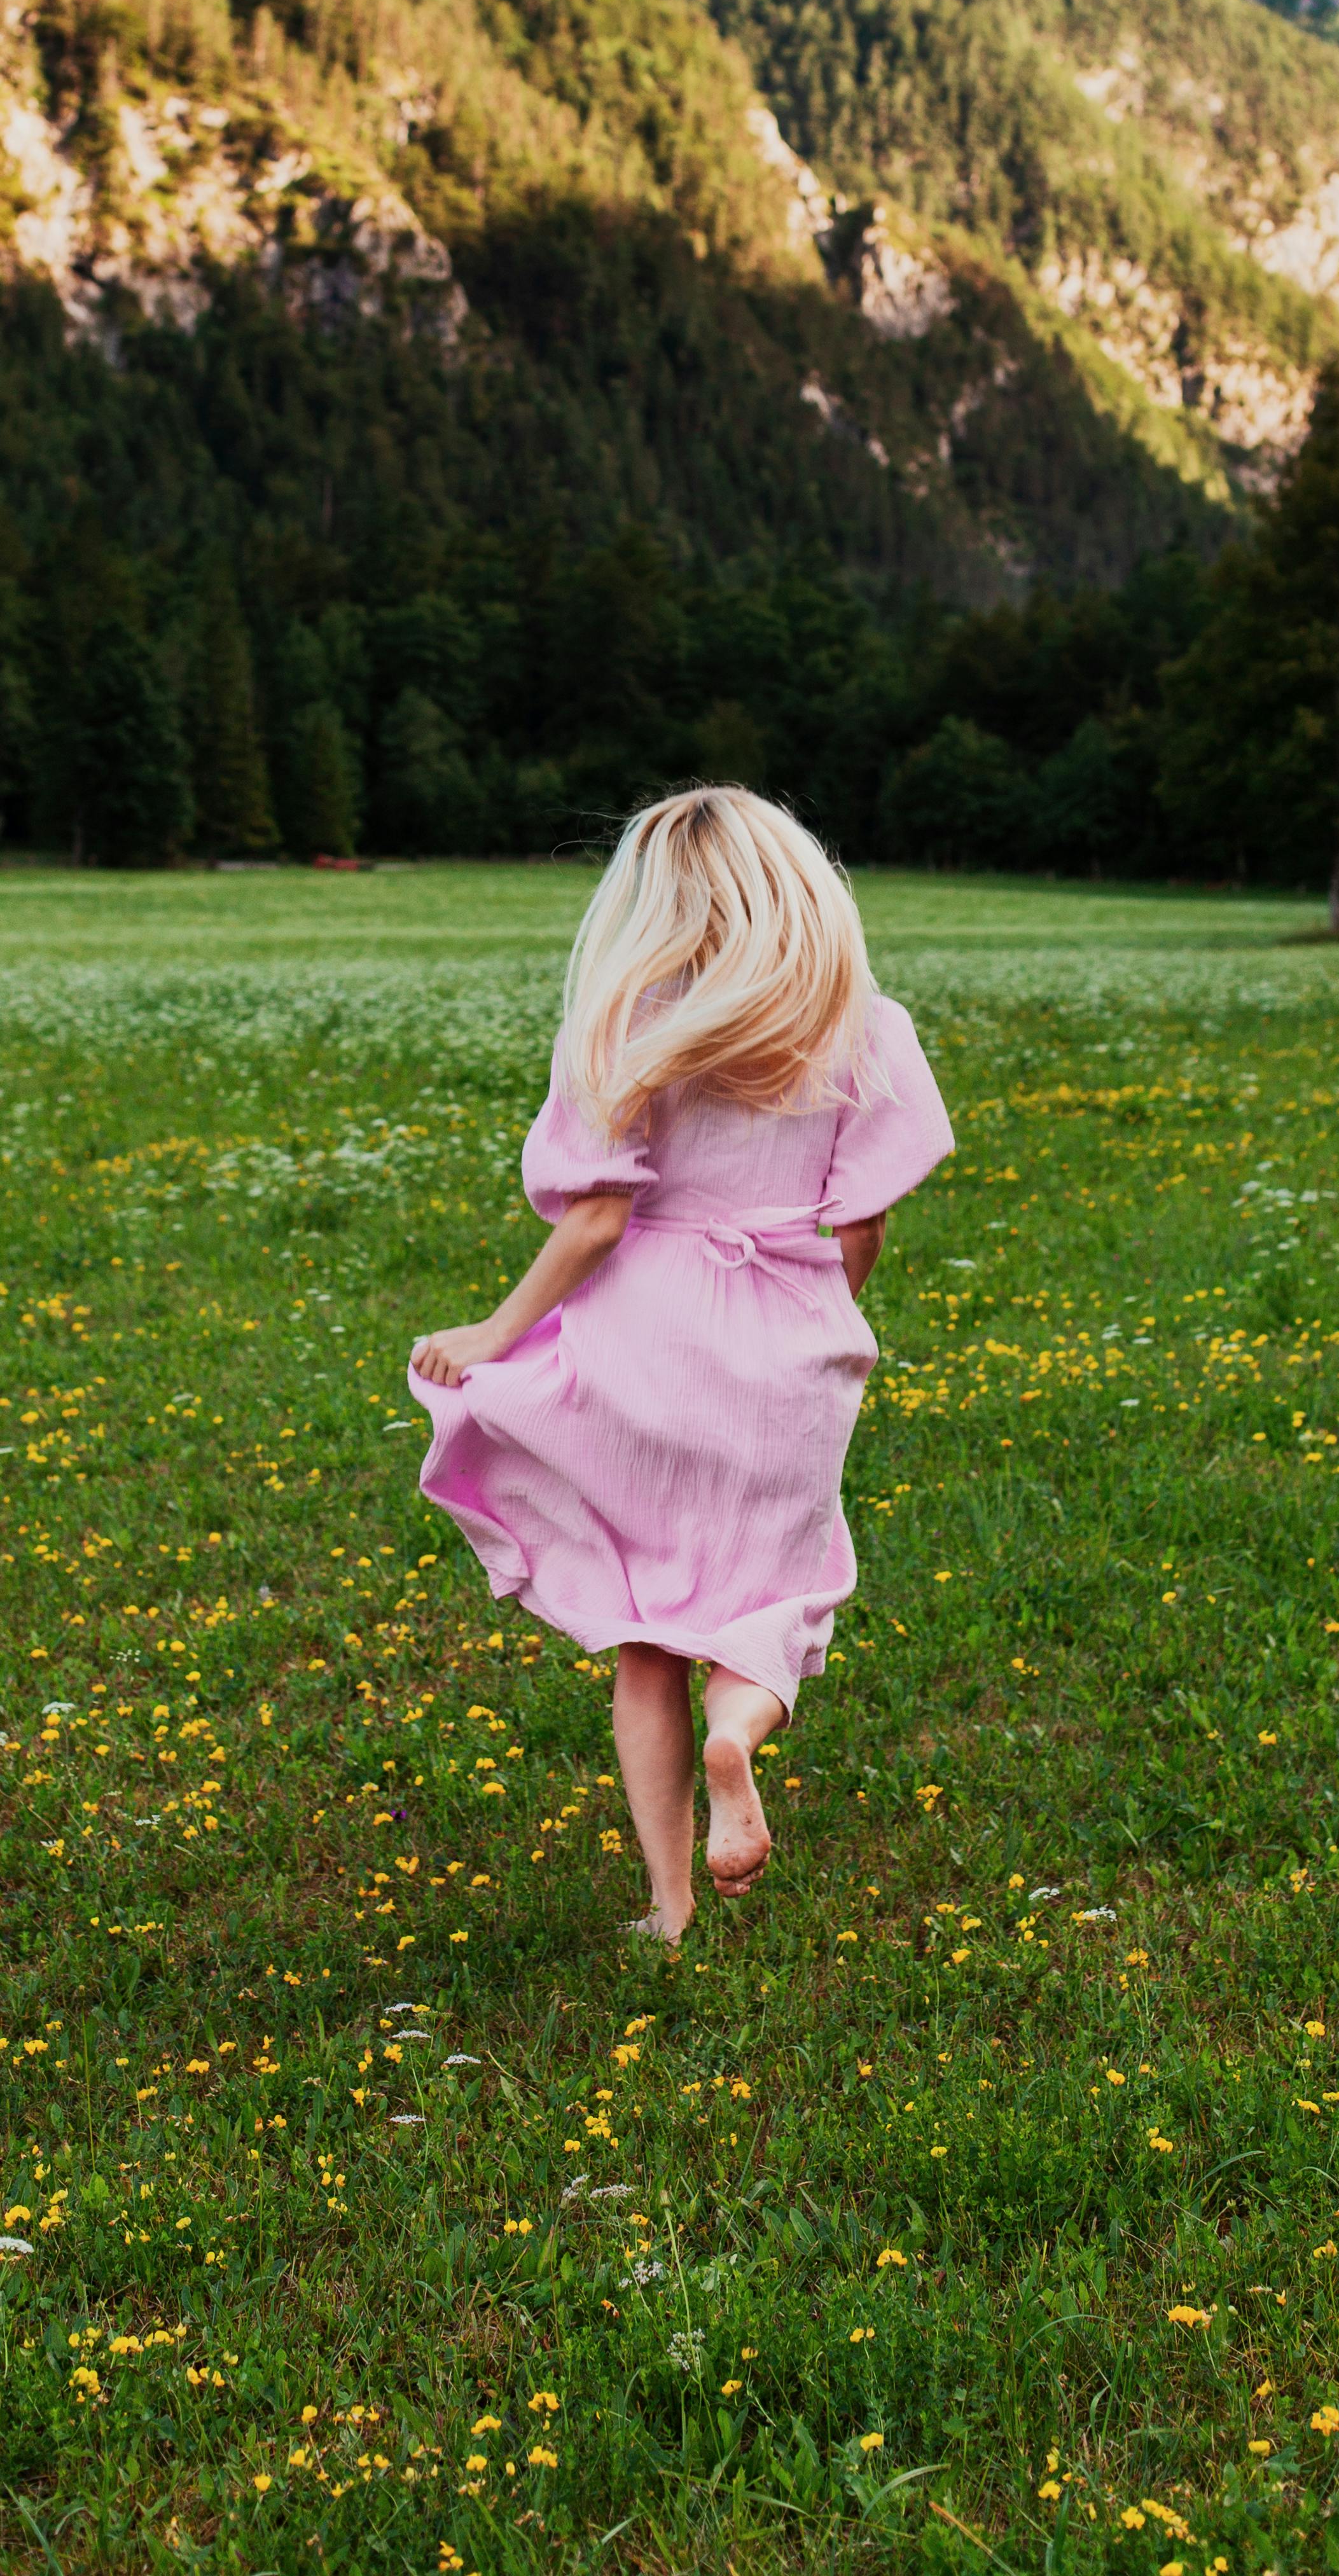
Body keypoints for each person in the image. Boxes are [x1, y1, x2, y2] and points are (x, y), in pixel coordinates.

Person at [408, 787, 953, 1940]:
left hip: (643, 1341)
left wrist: (489, 1337)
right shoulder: (863, 1025)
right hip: (788, 1338)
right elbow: (861, 1230)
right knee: (779, 1600)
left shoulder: (624, 1023)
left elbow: (597, 1222)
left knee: (646, 1644)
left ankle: (668, 1911)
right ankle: (737, 1738)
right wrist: (809, 1325)